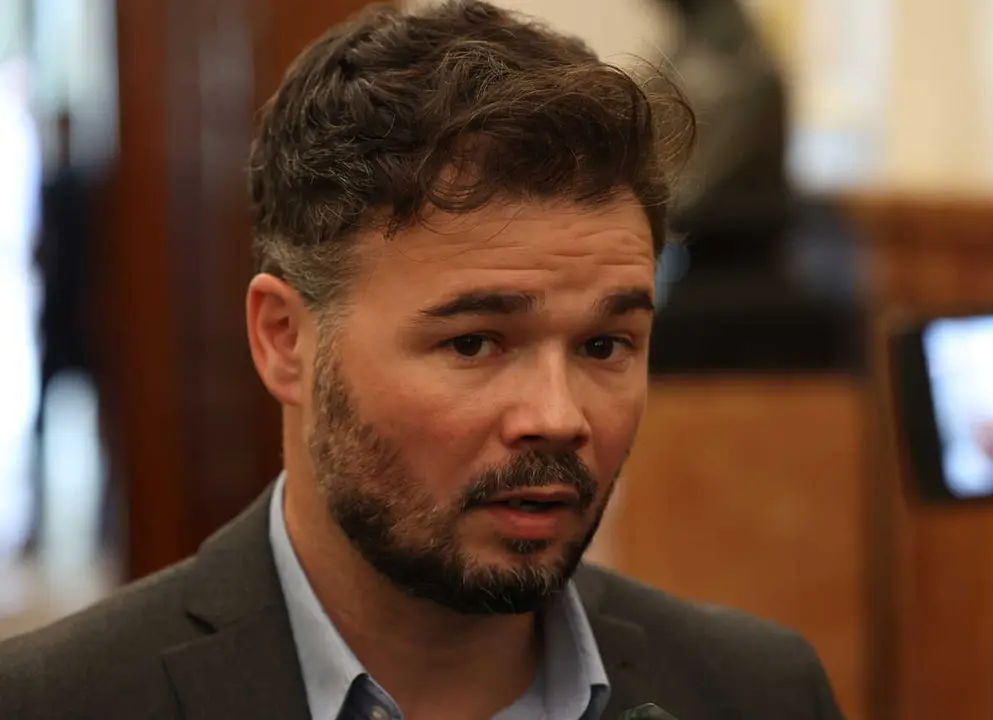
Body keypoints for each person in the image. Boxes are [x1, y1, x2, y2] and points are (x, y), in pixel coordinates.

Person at [0, 2, 843, 718]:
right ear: (285, 341)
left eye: (603, 344)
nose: (558, 416)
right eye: (473, 342)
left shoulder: (757, 693)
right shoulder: (60, 700)